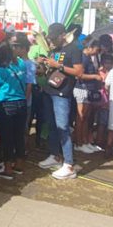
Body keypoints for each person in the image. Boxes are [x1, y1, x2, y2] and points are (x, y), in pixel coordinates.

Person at [38, 22, 84, 180]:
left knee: (63, 127)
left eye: (53, 38)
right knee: (52, 125)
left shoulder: (74, 49)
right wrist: (44, 65)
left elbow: (79, 72)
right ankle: (55, 155)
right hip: (50, 91)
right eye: (49, 38)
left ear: (62, 35)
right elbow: (51, 70)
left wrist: (59, 65)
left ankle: (69, 164)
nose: (51, 41)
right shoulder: (53, 50)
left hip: (62, 94)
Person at [0, 43, 28, 180]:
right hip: (22, 103)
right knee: (19, 135)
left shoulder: (0, 71)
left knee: (7, 137)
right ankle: (19, 165)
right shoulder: (19, 65)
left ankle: (7, 168)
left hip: (7, 105)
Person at [74, 38, 105, 153]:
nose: (97, 52)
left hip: (88, 89)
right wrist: (95, 77)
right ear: (90, 47)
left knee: (86, 117)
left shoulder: (89, 58)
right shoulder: (83, 58)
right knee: (81, 117)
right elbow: (79, 75)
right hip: (81, 89)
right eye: (96, 49)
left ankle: (84, 140)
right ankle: (78, 142)